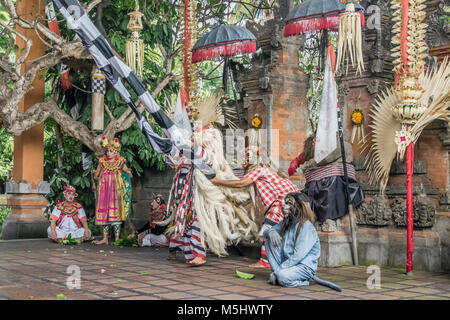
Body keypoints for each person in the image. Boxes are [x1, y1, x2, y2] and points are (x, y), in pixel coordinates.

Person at [211, 146, 301, 269]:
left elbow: (241, 183)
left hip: (284, 200)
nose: (245, 158)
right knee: (281, 231)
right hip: (294, 200)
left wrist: (217, 181)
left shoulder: (258, 170)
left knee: (267, 229)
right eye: (245, 155)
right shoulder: (265, 171)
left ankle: (265, 262)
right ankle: (280, 259)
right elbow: (248, 195)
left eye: (249, 155)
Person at [264, 192, 341, 291]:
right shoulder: (287, 222)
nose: (284, 206)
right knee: (269, 240)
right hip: (289, 263)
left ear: (300, 207)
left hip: (303, 266)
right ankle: (278, 274)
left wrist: (278, 271)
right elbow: (266, 232)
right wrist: (271, 231)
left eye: (289, 203)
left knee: (282, 276)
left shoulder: (306, 226)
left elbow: (298, 256)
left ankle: (302, 281)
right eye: (285, 203)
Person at [291, 134, 364, 228]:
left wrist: (306, 165)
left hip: (336, 176)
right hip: (328, 174)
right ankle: (322, 217)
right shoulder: (331, 145)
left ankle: (329, 217)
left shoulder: (342, 145)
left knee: (327, 187)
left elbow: (324, 159)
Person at [93, 136, 132, 244]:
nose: (108, 153)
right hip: (104, 191)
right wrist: (99, 176)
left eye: (111, 151)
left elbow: (127, 173)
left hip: (116, 192)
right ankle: (105, 238)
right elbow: (96, 176)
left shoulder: (120, 162)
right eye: (108, 151)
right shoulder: (102, 162)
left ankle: (117, 238)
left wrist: (126, 173)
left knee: (116, 213)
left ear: (116, 152)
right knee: (104, 213)